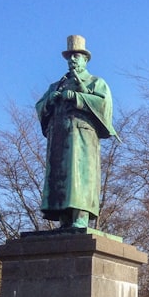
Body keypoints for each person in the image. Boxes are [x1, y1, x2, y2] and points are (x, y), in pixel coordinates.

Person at [36, 35, 116, 229]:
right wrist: (50, 101)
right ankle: (63, 217)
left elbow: (104, 105)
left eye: (76, 56)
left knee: (79, 179)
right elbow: (39, 106)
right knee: (60, 178)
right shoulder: (56, 85)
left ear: (85, 59)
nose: (72, 60)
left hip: (82, 140)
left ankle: (80, 217)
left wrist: (77, 97)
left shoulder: (95, 83)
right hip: (59, 139)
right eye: (69, 57)